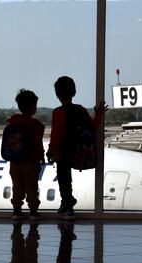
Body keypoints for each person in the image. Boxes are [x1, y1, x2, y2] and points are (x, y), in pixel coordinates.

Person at [46, 76, 107, 219]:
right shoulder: (81, 110)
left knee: (64, 178)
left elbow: (55, 135)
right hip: (79, 150)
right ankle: (66, 202)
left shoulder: (58, 112)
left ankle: (68, 205)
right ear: (74, 92)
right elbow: (92, 127)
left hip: (63, 151)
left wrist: (50, 150)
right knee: (66, 179)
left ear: (57, 94)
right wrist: (98, 114)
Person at [5, 89, 45, 220]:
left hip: (15, 162)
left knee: (17, 187)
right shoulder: (36, 125)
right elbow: (38, 144)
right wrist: (41, 157)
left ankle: (17, 211)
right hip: (30, 162)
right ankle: (33, 212)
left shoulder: (12, 122)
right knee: (32, 187)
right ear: (33, 107)